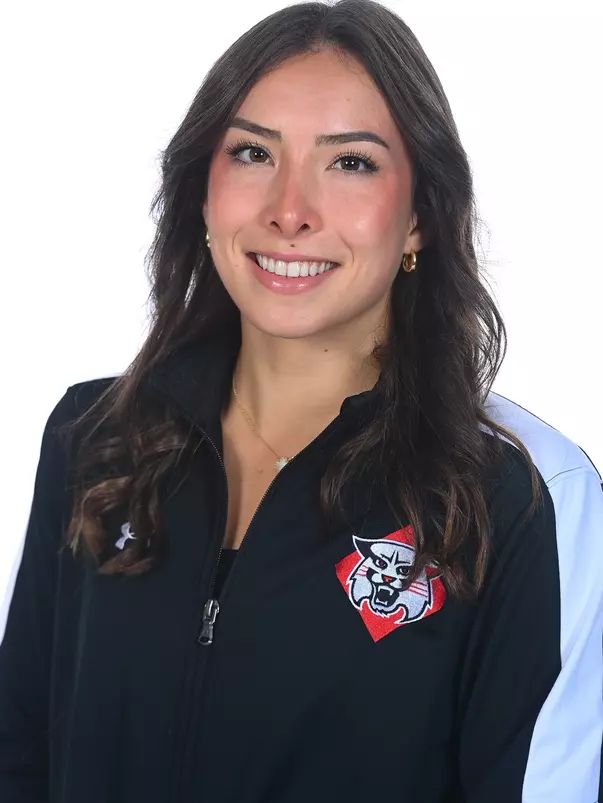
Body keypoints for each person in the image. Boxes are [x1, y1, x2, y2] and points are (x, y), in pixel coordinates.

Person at [1, 0, 602, 800]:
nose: (289, 209)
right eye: (252, 153)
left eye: (349, 162)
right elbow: (22, 756)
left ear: (421, 214)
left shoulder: (523, 496)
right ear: (202, 194)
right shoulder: (96, 438)